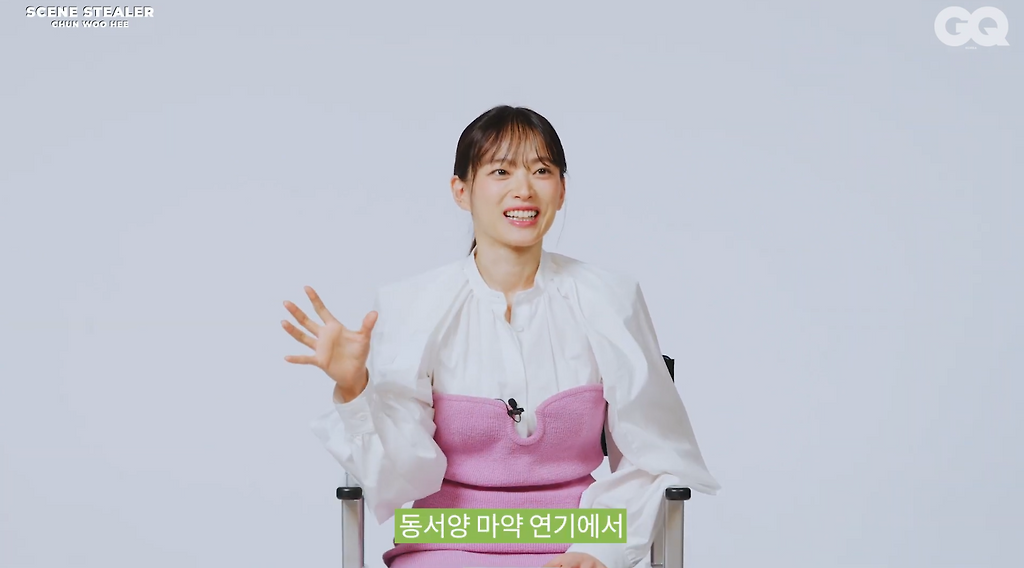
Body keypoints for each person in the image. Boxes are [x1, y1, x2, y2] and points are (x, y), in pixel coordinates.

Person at [282, 105, 720, 568]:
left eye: (541, 170)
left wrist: (599, 550)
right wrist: (356, 389)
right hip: (444, 541)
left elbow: (655, 454)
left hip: (577, 540)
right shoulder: (411, 306)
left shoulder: (611, 299)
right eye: (501, 171)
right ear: (461, 190)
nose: (524, 188)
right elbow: (404, 476)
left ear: (562, 190)